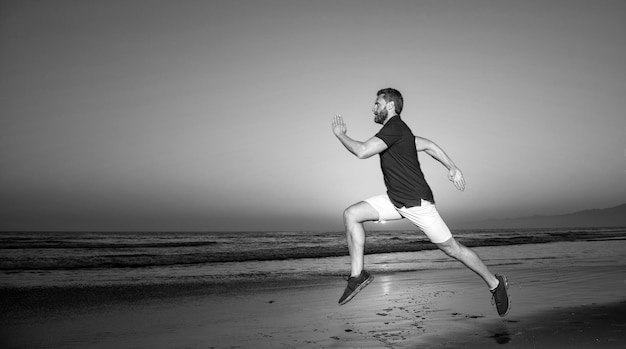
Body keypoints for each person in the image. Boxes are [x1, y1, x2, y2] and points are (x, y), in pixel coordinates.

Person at [331, 88, 510, 317]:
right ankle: (357, 276)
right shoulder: (399, 133)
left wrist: (340, 134)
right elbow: (428, 145)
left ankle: (496, 284)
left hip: (417, 203)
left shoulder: (394, 128)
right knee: (351, 214)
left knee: (452, 249)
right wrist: (452, 166)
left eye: (377, 103)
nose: (373, 108)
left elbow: (362, 151)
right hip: (396, 199)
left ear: (389, 106)